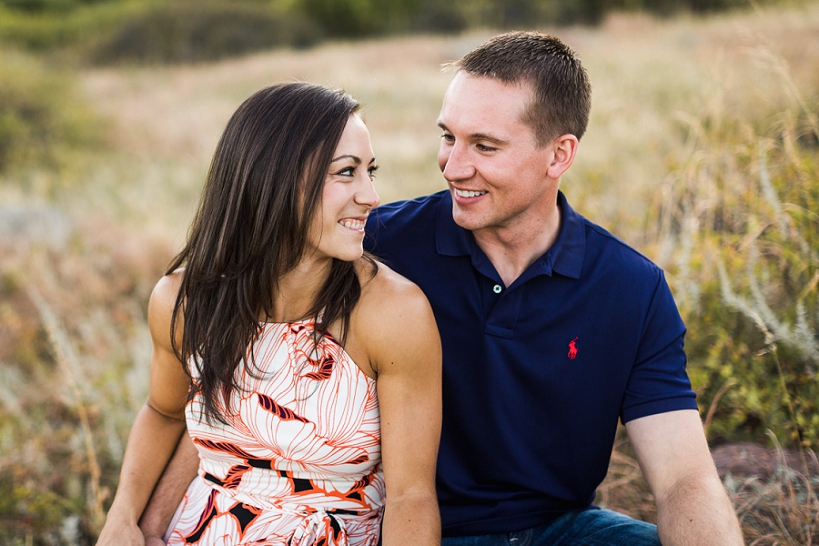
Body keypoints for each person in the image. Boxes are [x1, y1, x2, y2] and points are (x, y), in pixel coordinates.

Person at [139, 32, 745, 545]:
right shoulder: (370, 245)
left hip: (558, 527)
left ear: (558, 155)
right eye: (448, 136)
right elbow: (243, 386)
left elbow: (684, 477)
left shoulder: (629, 288)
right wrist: (143, 523)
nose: (454, 165)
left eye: (485, 146)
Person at [95, 82, 442, 546]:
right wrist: (124, 518)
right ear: (274, 179)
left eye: (370, 171)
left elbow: (410, 497)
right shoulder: (183, 301)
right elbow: (162, 412)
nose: (370, 195)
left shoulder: (393, 313)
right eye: (346, 173)